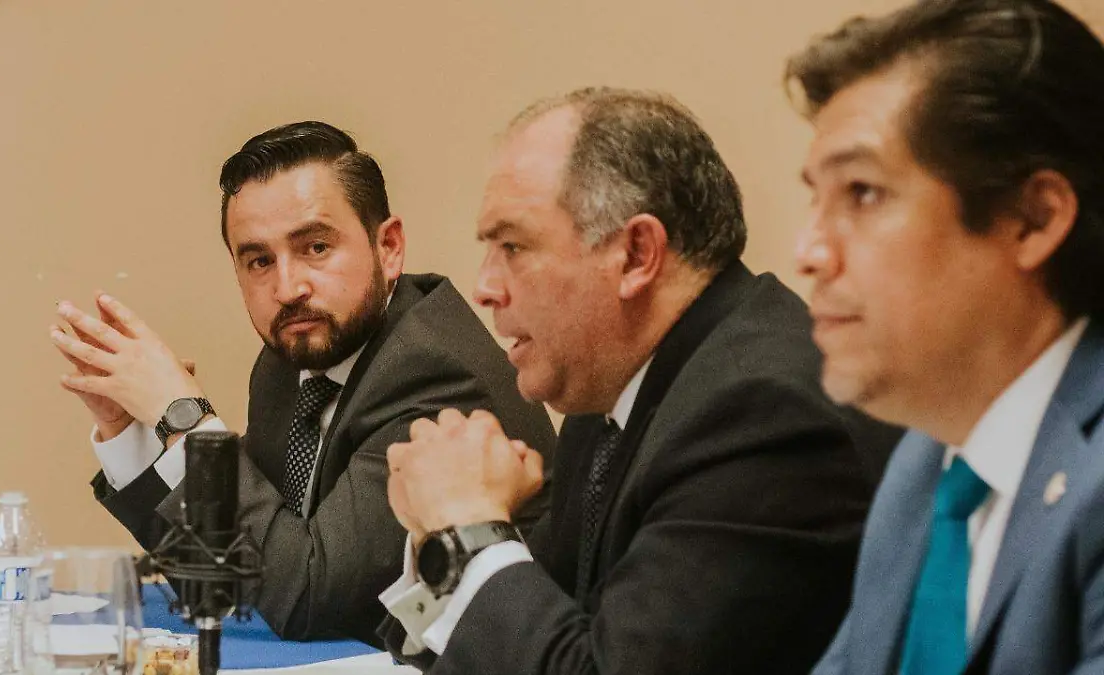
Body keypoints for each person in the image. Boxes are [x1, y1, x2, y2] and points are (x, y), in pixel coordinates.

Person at [377, 87, 901, 674]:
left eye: (513, 246)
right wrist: (442, 533)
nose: (485, 288)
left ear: (635, 255)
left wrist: (465, 528)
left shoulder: (760, 416)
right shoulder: (610, 397)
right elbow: (533, 639)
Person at [49, 121, 556, 646]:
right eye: (259, 261)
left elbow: (307, 597)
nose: (288, 289)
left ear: (389, 246)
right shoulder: (288, 363)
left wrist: (186, 418)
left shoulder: (435, 374)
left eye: (315, 247)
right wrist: (130, 434)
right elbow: (240, 571)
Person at [785, 1, 1104, 673]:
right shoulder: (925, 464)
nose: (807, 251)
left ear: (1031, 219)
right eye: (817, 198)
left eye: (862, 192)